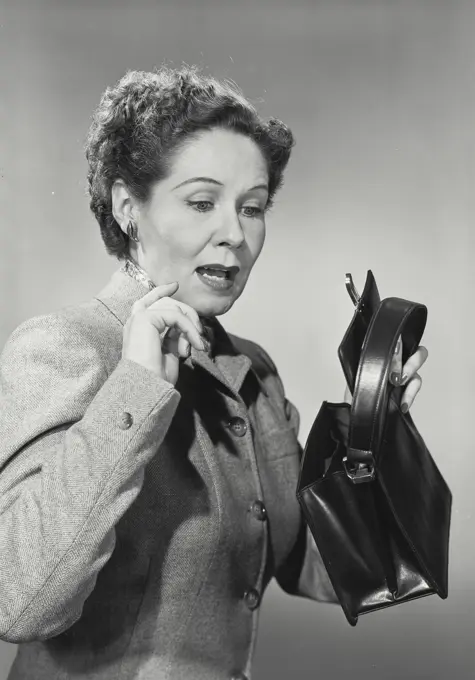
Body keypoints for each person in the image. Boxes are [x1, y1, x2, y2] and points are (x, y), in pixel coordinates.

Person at [0, 66, 427, 680]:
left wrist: (370, 428)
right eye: (202, 202)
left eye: (252, 208)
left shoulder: (249, 371)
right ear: (128, 209)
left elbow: (332, 571)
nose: (234, 234)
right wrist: (137, 388)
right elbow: (21, 598)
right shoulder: (64, 349)